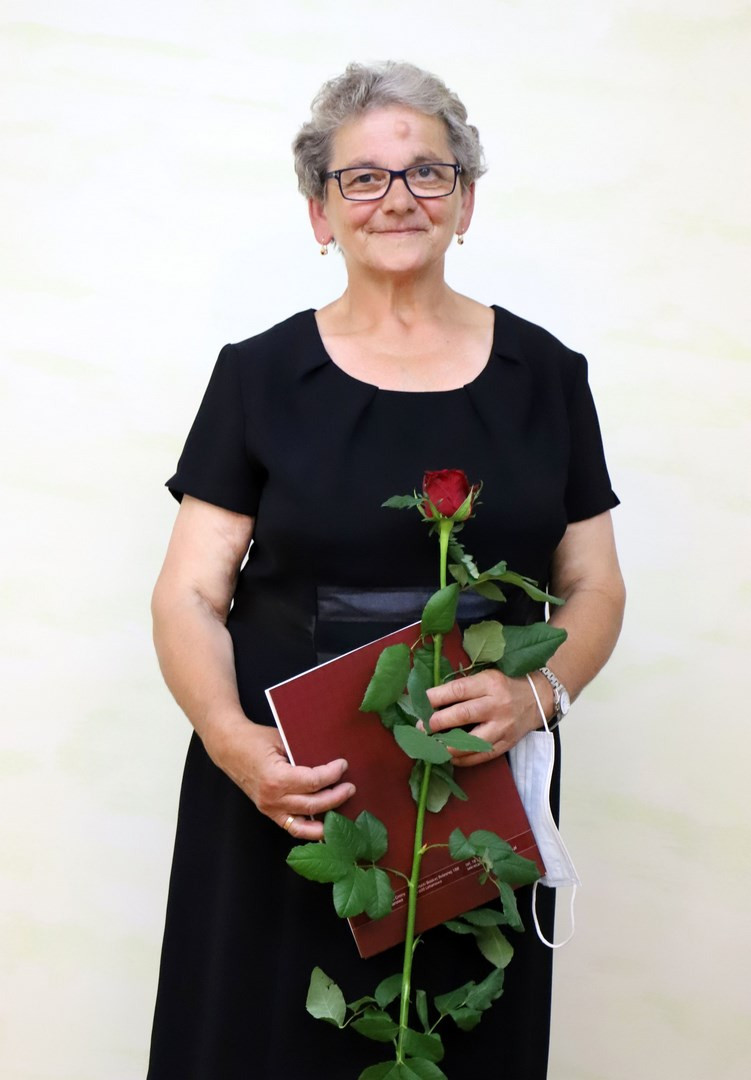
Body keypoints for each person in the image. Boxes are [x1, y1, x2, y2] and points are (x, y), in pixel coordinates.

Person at [147, 61, 626, 1080]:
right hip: (289, 795)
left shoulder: (547, 376)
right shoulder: (258, 375)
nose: (396, 197)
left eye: (426, 172)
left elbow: (594, 583)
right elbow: (189, 592)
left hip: (477, 802)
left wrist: (537, 694)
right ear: (320, 212)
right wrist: (234, 745)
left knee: (466, 1050)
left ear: (465, 201)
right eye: (361, 178)